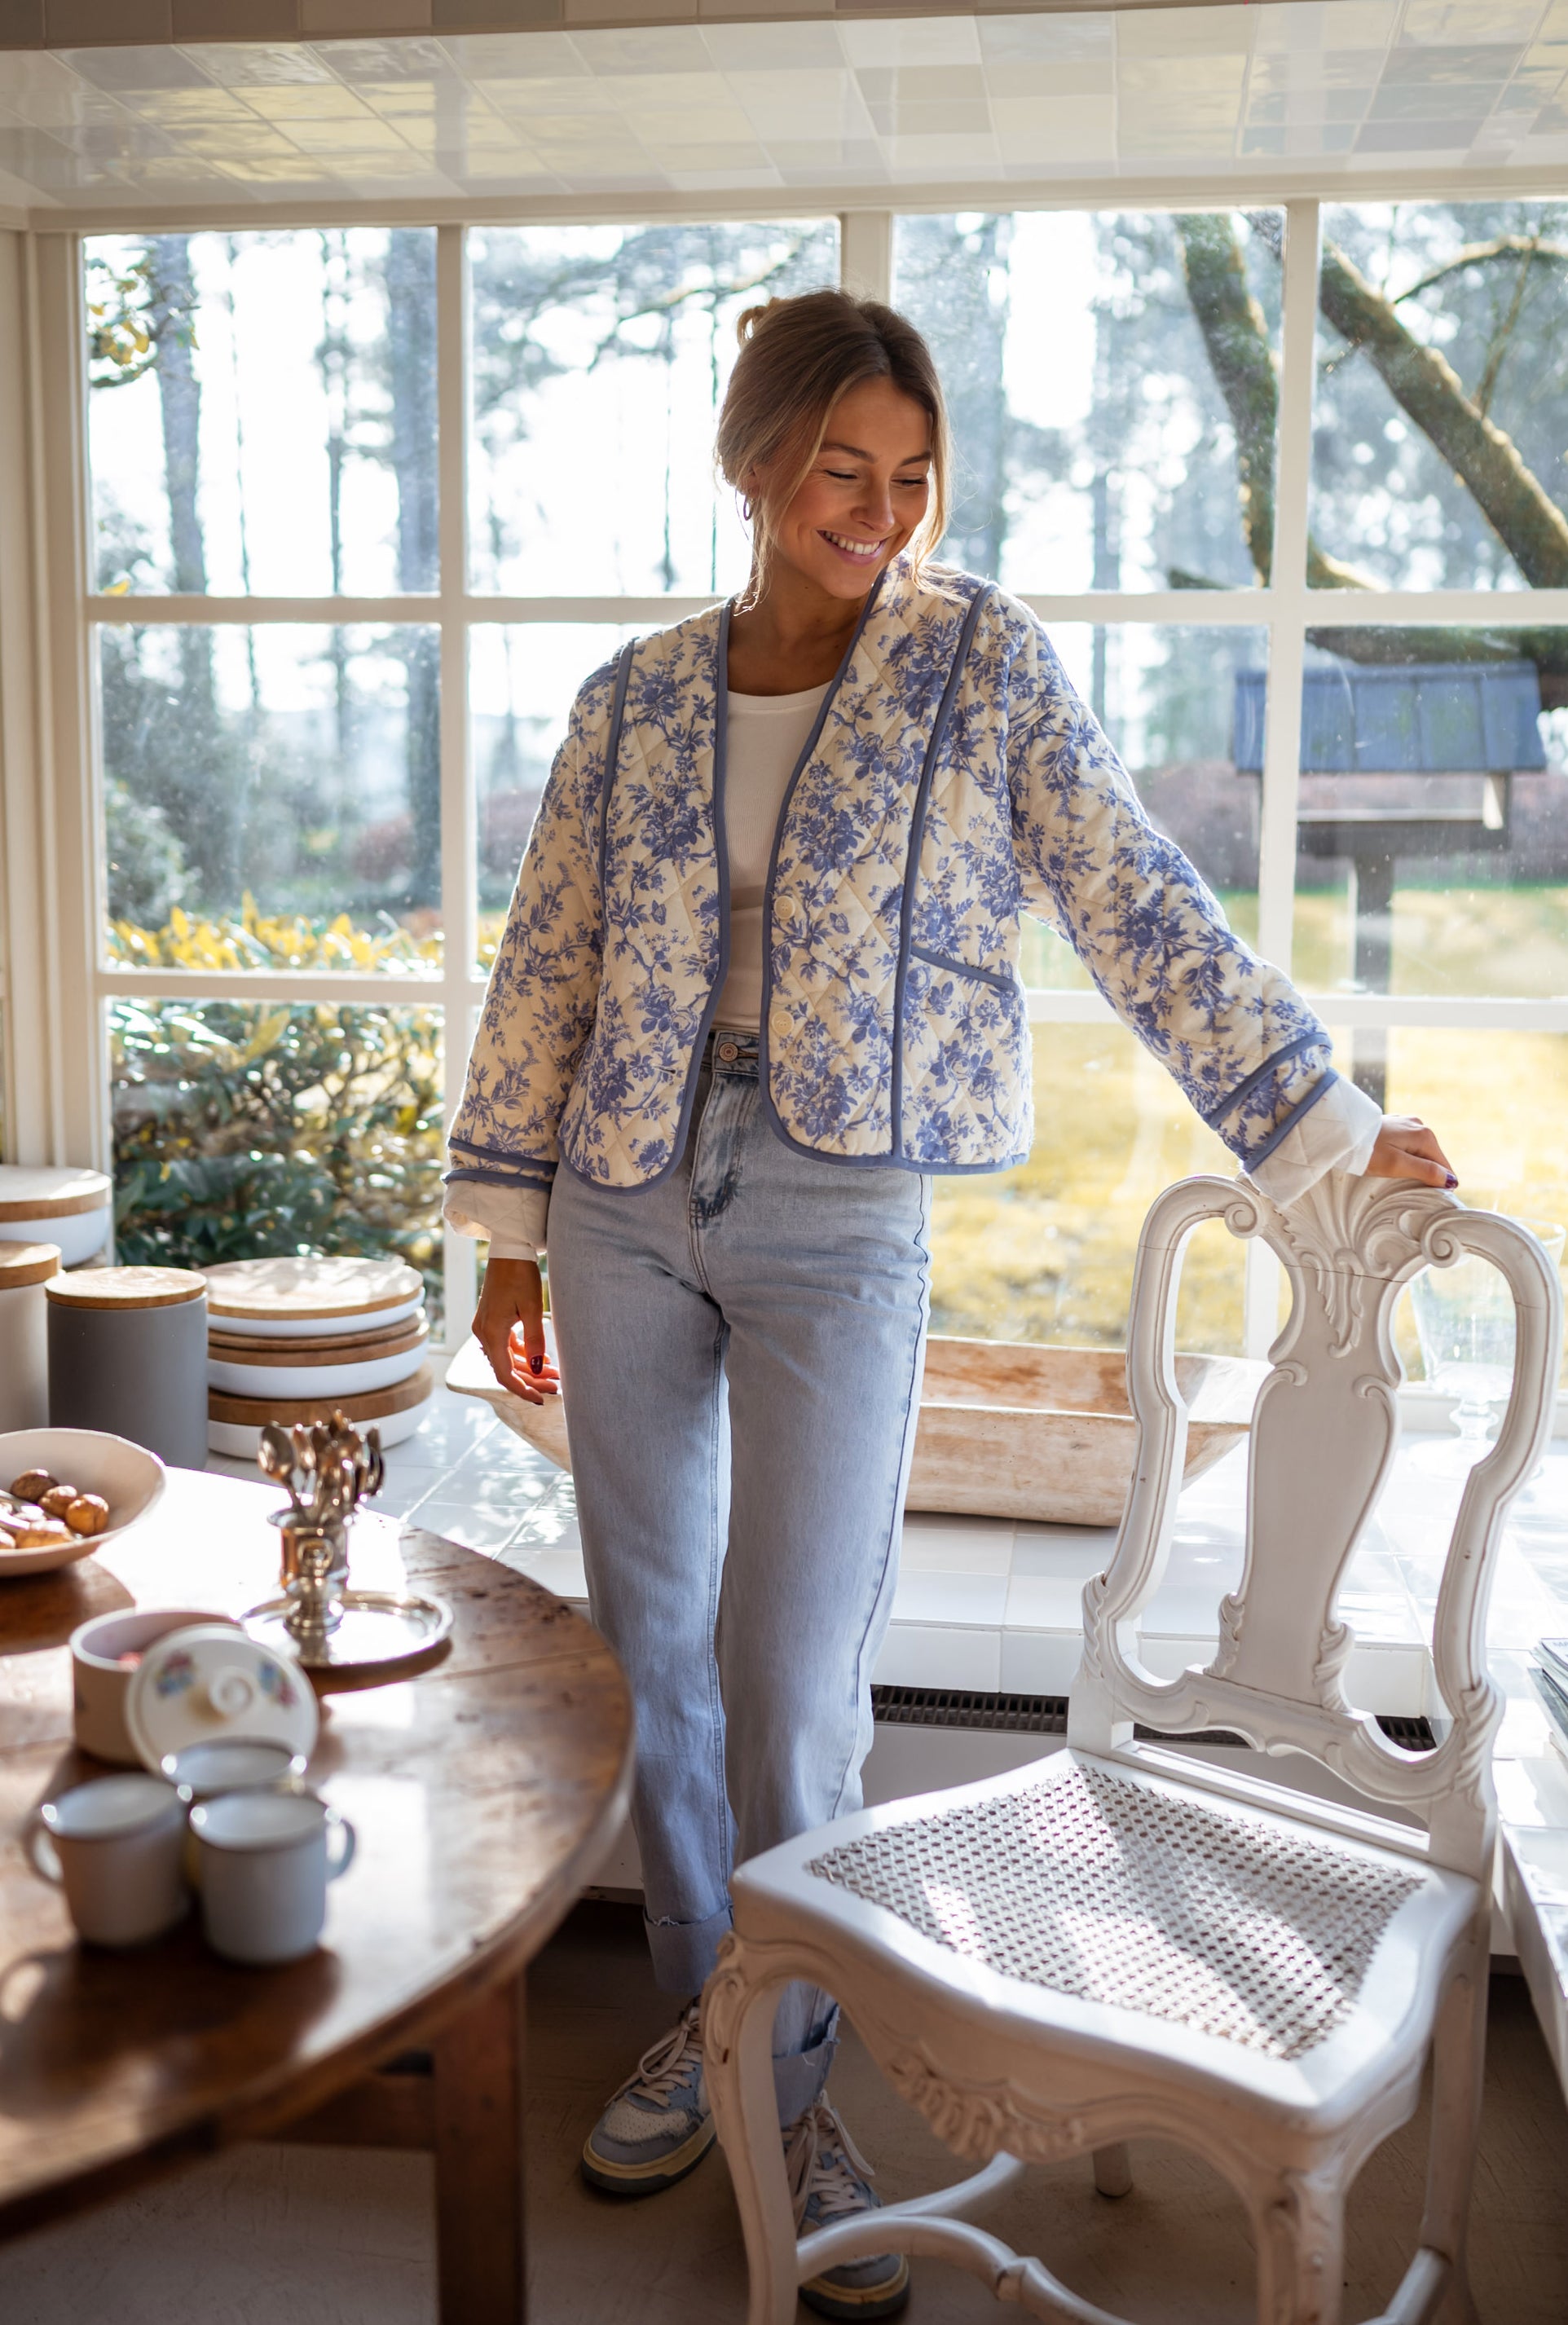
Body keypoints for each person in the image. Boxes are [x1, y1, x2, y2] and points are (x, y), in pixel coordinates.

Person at [445, 288, 1455, 2322]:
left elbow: (1131, 889)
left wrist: (1321, 1123)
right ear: (754, 464)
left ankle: (787, 2084)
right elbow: (548, 957)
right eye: (843, 471)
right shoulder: (631, 699)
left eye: (910, 480)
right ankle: (708, 2018)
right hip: (626, 1193)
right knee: (655, 1637)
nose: (880, 514)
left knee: (797, 1660)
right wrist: (502, 1222)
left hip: (841, 1202)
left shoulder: (976, 662)